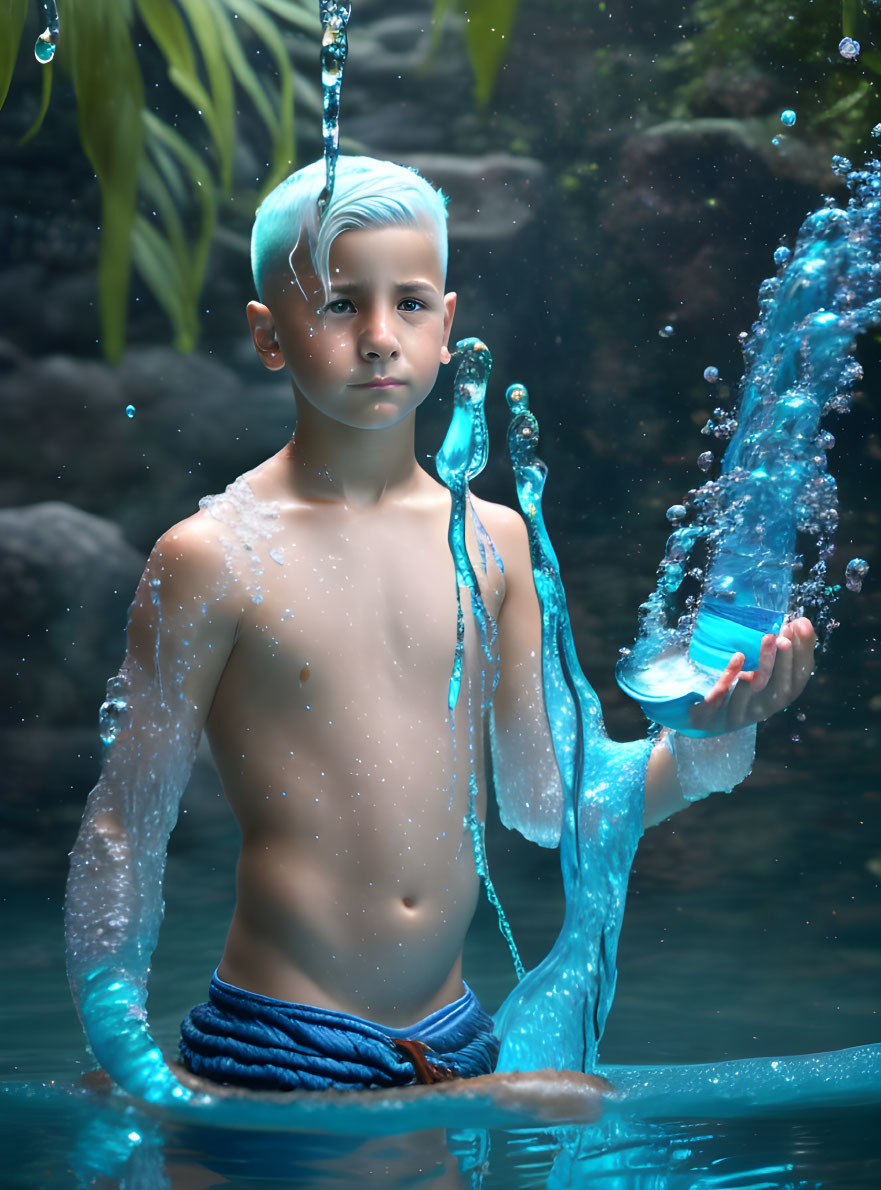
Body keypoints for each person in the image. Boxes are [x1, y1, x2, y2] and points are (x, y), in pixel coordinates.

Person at [64, 156, 815, 1102]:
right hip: (287, 1040)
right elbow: (126, 817)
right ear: (268, 334)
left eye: (410, 304)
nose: (380, 338)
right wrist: (127, 1048)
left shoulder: (494, 545)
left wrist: (713, 734)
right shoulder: (214, 556)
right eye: (339, 304)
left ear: (448, 325)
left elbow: (551, 804)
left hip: (456, 1036)